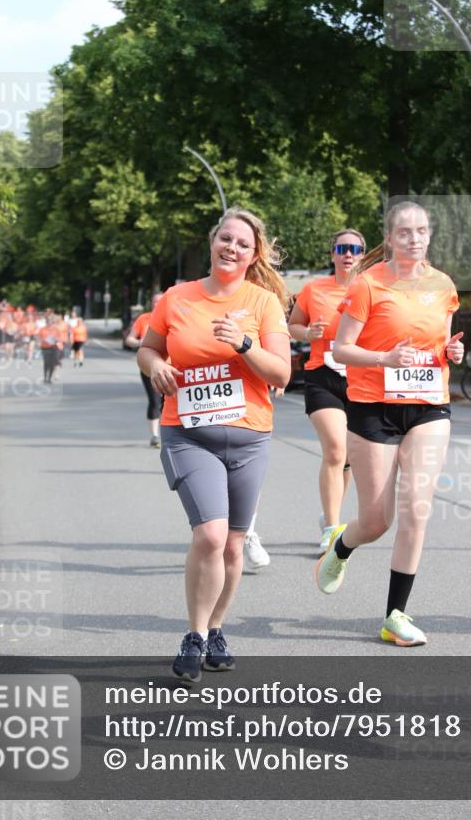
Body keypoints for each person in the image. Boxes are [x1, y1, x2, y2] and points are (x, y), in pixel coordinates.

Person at [137, 207, 290, 682]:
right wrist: (154, 366)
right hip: (187, 433)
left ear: (253, 254)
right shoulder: (177, 298)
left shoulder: (263, 303)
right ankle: (195, 634)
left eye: (243, 244)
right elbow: (148, 347)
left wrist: (245, 344)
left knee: (235, 547)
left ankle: (218, 627)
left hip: (249, 438)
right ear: (212, 242)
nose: (232, 248)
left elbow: (282, 374)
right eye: (226, 238)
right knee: (210, 535)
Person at [315, 201, 464, 647]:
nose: (414, 238)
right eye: (404, 232)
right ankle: (342, 546)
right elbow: (341, 350)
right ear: (390, 237)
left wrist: (452, 353)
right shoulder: (367, 284)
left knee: (417, 508)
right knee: (377, 520)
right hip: (372, 407)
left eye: (421, 231)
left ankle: (395, 615)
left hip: (428, 405)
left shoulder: (444, 286)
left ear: (429, 236)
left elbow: (443, 344)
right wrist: (384, 358)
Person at [288, 229, 367, 550]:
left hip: (361, 379)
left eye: (354, 248)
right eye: (342, 248)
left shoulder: (371, 289)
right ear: (332, 253)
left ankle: (329, 513)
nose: (348, 254)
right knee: (335, 449)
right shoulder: (314, 289)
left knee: (347, 456)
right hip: (322, 375)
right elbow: (292, 325)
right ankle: (332, 529)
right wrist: (307, 332)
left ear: (362, 254)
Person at [126, 294, 165, 447]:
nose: (157, 304)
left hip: (173, 366)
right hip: (150, 366)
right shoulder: (144, 319)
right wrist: (140, 342)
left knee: (170, 402)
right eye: (155, 301)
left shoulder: (174, 317)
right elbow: (129, 339)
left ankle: (174, 435)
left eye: (160, 301)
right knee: (155, 401)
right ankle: (155, 436)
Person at [38, 311, 61, 384]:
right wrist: (44, 339)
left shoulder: (56, 329)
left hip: (54, 347)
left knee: (52, 363)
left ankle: (49, 378)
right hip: (45, 347)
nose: (49, 322)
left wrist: (55, 339)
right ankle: (45, 377)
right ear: (46, 322)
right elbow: (39, 338)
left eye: (51, 321)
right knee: (46, 362)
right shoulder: (42, 329)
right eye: (48, 321)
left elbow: (59, 338)